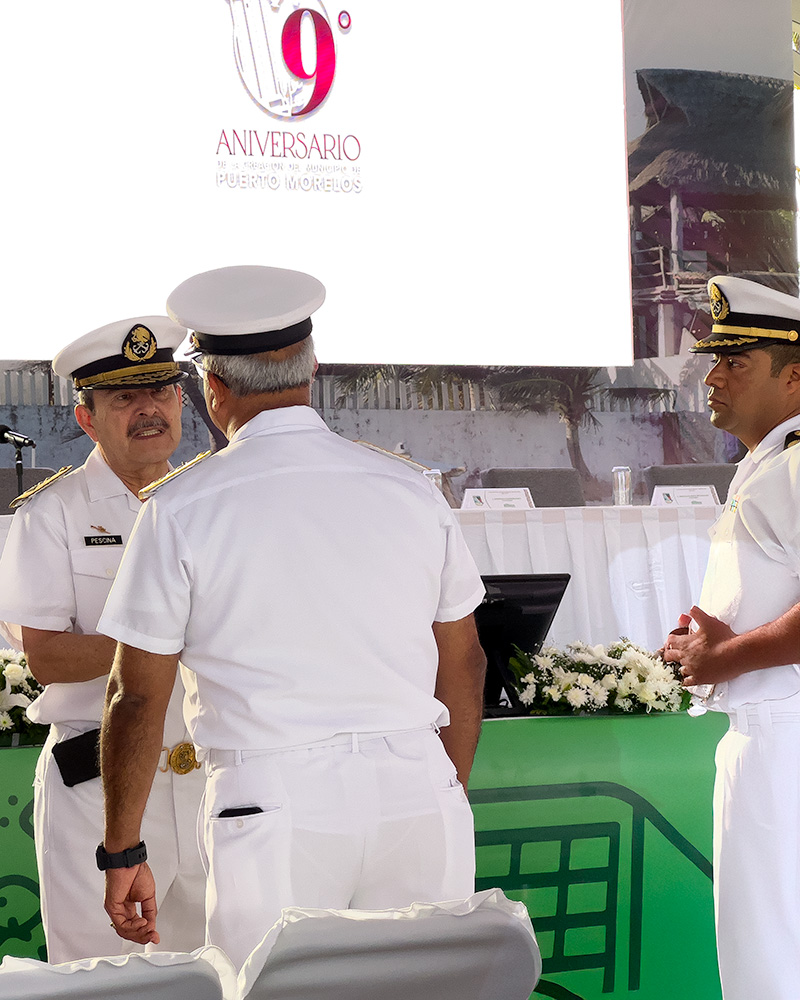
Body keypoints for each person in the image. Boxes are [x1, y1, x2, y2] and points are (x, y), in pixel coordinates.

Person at [96, 265, 488, 969]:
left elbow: (137, 693)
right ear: (314, 369)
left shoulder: (182, 509)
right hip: (416, 789)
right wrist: (445, 790)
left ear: (211, 387)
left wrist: (122, 847)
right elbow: (464, 659)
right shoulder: (409, 489)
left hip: (271, 806)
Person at [0, 317, 207, 962]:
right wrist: (166, 645)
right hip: (98, 783)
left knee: (223, 970)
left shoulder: (212, 501)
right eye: (125, 398)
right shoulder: (50, 514)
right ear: (87, 420)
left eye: (161, 391)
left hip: (207, 777)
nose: (149, 409)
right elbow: (48, 656)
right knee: (103, 976)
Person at [662, 275, 800, 1000]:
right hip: (767, 729)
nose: (712, 379)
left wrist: (726, 655)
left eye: (735, 363)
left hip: (783, 736)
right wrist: (701, 645)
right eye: (715, 362)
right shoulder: (770, 463)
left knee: (769, 963)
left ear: (795, 375)